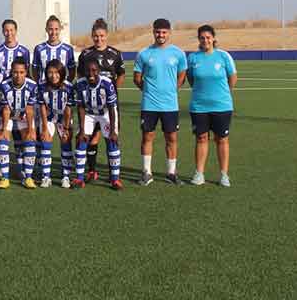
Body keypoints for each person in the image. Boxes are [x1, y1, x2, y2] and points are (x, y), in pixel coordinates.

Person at [133, 18, 188, 186]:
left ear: (169, 33)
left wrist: (173, 89)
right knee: (147, 136)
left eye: (164, 32)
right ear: (153, 32)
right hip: (149, 104)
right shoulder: (144, 53)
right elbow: (137, 78)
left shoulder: (178, 53)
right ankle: (147, 172)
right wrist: (149, 91)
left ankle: (171, 173)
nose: (161, 35)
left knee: (171, 137)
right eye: (158, 32)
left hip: (170, 105)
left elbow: (182, 74)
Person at [76, 18, 126, 182]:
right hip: (90, 105)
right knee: (91, 137)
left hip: (108, 105)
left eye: (102, 35)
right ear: (92, 36)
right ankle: (91, 170)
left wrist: (113, 91)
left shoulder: (115, 53)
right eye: (96, 36)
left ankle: (114, 176)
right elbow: (81, 76)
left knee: (110, 137)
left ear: (107, 35)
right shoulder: (85, 54)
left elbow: (121, 74)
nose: (99, 39)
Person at [186, 25, 236, 187]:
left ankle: (224, 175)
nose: (205, 40)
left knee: (221, 139)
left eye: (208, 37)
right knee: (201, 138)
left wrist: (222, 94)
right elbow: (191, 79)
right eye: (202, 37)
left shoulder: (223, 56)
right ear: (199, 39)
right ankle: (199, 173)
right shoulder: (193, 58)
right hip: (199, 106)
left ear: (213, 38)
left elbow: (232, 78)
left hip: (222, 106)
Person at [74, 59, 123, 190]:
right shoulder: (79, 84)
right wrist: (82, 130)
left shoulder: (107, 83)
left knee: (112, 142)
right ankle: (79, 178)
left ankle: (115, 179)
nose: (91, 73)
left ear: (99, 71)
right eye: (88, 71)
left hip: (106, 113)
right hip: (89, 113)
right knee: (80, 140)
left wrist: (113, 130)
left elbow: (112, 108)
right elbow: (80, 108)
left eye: (94, 70)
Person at [0, 58, 38, 189]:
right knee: (3, 143)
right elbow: (6, 110)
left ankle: (28, 177)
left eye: (21, 72)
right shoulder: (4, 85)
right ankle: (5, 178)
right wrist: (3, 130)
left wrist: (31, 129)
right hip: (6, 116)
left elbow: (30, 109)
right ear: (11, 72)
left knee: (30, 142)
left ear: (26, 72)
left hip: (24, 116)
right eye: (15, 72)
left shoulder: (32, 85)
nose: (18, 75)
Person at [37, 60, 76, 188]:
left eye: (56, 72)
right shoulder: (42, 86)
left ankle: (66, 176)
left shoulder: (69, 87)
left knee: (66, 144)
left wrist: (66, 128)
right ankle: (46, 177)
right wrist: (43, 127)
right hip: (48, 118)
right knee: (45, 143)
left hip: (63, 118)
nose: (53, 76)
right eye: (50, 72)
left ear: (62, 72)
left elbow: (68, 109)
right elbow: (42, 107)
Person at [32, 15, 76, 84]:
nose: (53, 32)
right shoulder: (39, 49)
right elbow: (34, 70)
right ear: (46, 29)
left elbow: (72, 71)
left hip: (62, 90)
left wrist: (65, 84)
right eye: (50, 29)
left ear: (60, 29)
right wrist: (40, 84)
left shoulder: (68, 49)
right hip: (44, 90)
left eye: (56, 29)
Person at [0, 19, 31, 83]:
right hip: (1, 87)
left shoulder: (24, 51)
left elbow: (27, 71)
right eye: (6, 30)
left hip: (17, 87)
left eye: (11, 30)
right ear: (3, 31)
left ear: (16, 31)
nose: (9, 33)